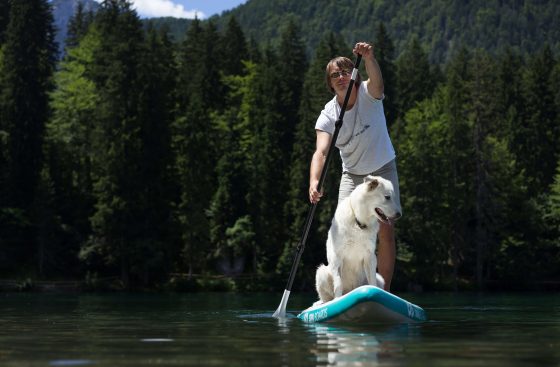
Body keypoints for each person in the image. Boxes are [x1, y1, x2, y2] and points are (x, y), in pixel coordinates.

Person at [309, 42, 401, 291]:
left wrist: (369, 57)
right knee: (343, 228)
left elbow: (378, 83)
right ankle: (343, 290)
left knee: (385, 229)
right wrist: (314, 182)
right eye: (335, 75)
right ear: (330, 83)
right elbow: (321, 151)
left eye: (346, 71)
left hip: (382, 169)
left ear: (355, 75)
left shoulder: (369, 93)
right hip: (352, 175)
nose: (341, 77)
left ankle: (383, 292)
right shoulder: (328, 114)